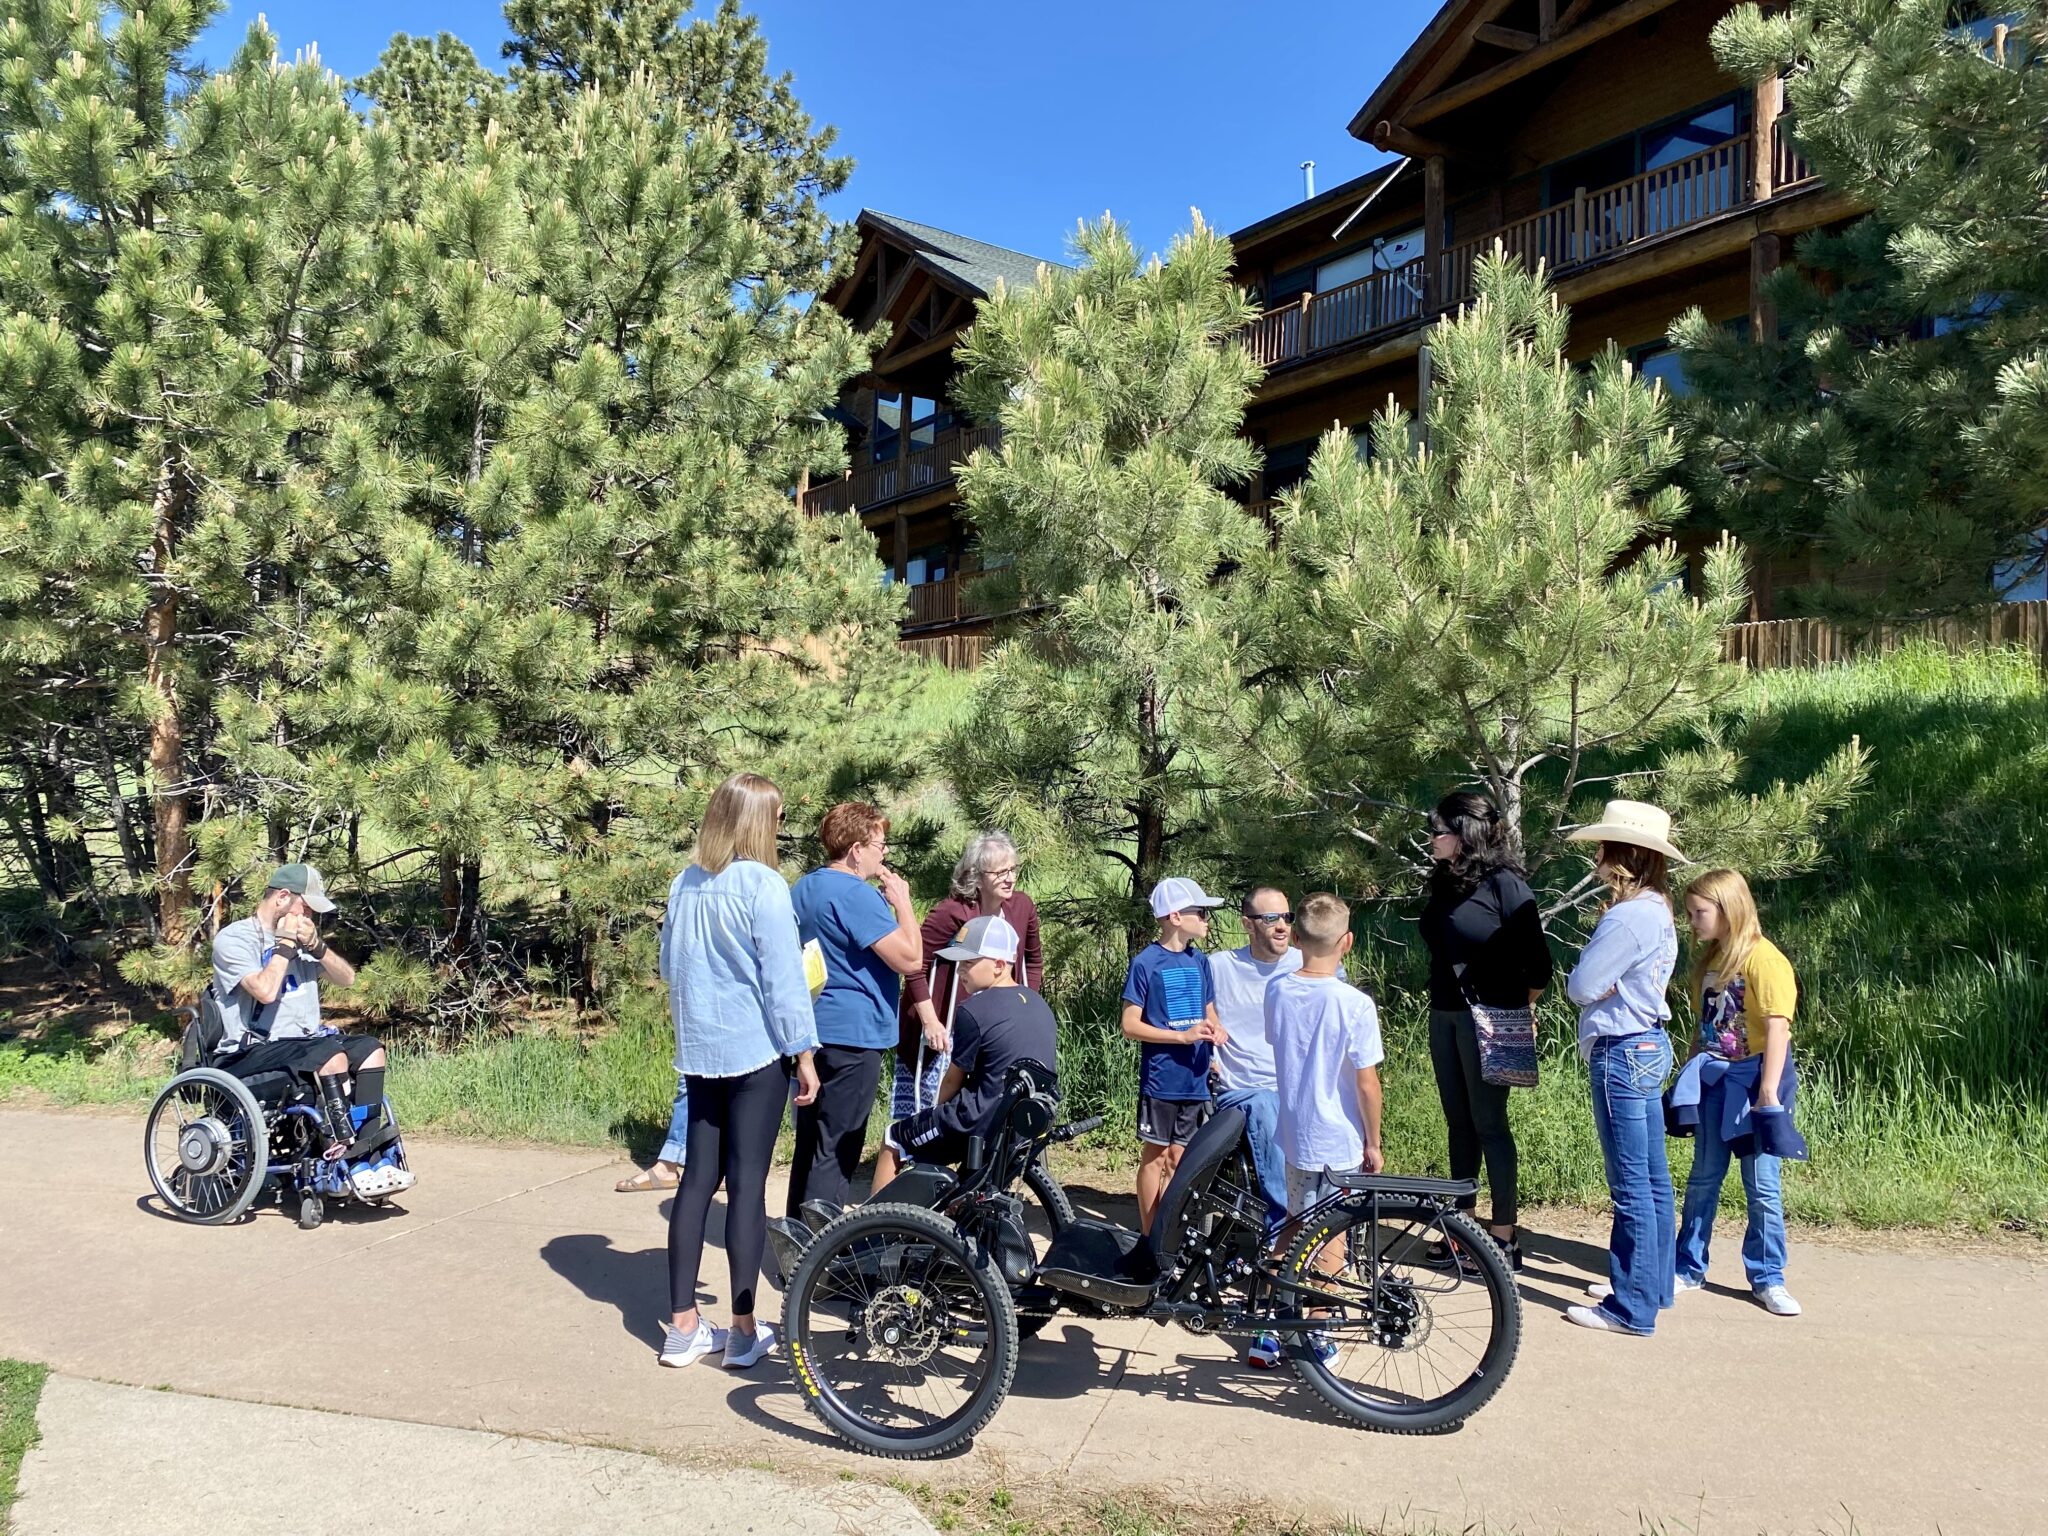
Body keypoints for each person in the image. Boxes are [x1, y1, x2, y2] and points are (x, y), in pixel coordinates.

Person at [658, 772, 821, 1369]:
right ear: (757, 821)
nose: (781, 825)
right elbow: (784, 981)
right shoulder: (764, 885)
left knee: (697, 1180)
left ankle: (682, 1327)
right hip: (755, 1051)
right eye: (777, 816)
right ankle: (743, 1331)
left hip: (701, 1050)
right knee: (748, 1185)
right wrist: (805, 1053)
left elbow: (668, 966)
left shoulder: (685, 882)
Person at [211, 863, 411, 1196]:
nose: (310, 916)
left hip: (305, 1043)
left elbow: (348, 979)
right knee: (329, 1056)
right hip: (251, 1050)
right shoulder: (235, 939)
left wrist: (317, 946)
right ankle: (342, 1163)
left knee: (370, 1049)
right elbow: (265, 991)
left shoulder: (305, 939)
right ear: (282, 898)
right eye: (306, 908)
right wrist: (285, 945)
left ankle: (371, 1156)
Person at [1562, 800, 1684, 1337]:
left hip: (1622, 1048)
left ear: (1621, 854)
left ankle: (1631, 1306)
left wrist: (1599, 985)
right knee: (1653, 1178)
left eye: (1603, 845)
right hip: (1648, 1043)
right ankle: (1651, 1286)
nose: (1596, 854)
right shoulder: (1657, 907)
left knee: (1631, 1183)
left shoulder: (1628, 915)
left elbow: (1581, 985)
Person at [1418, 792, 1553, 1272]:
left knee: (1489, 1125)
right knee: (1458, 1124)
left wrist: (1516, 1011)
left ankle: (1503, 1236)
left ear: (1465, 834)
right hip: (1444, 1015)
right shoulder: (1444, 880)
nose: (1431, 839)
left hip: (1490, 1020)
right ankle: (1462, 1228)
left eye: (1437, 832)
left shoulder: (1505, 885)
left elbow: (1539, 966)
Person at [874, 830, 1044, 1191]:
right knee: (921, 1120)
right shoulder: (952, 912)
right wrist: (930, 1021)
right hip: (941, 1024)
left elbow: (1032, 959)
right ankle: (902, 1196)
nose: (1010, 878)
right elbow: (915, 964)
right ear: (977, 876)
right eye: (1000, 872)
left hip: (989, 1026)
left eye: (1013, 869)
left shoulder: (1022, 908)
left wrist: (1023, 1005)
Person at [1674, 868, 1804, 1317]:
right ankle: (1688, 1267)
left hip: (1755, 1082)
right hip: (1714, 1079)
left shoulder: (1765, 960)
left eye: (1699, 912)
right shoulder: (1711, 960)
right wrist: (1689, 1072)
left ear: (1728, 909)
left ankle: (1769, 1278)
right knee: (1703, 1178)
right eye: (1690, 912)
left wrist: (1768, 1091)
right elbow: (1706, 1025)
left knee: (1762, 1185)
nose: (1692, 921)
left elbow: (1777, 1029)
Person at [1262, 891, 1385, 1367]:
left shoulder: (1278, 990)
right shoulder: (1355, 1004)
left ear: (1295, 938)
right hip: (1339, 1138)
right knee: (1334, 1232)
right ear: (1347, 942)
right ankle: (1317, 1324)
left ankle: (1271, 1323)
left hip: (1295, 1131)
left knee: (1294, 1223)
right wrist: (1373, 1141)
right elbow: (1367, 1083)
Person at [786, 801, 921, 1218]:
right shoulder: (856, 895)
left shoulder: (803, 888)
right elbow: (910, 959)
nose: (885, 853)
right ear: (856, 850)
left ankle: (796, 1236)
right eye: (880, 845)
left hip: (812, 1031)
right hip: (855, 1034)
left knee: (810, 1143)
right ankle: (822, 1244)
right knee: (837, 1147)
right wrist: (903, 903)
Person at [1121, 876, 1229, 1235]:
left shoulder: (1200, 961)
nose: (1207, 920)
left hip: (1195, 1078)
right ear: (1175, 917)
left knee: (1179, 1159)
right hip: (1162, 1078)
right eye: (1201, 912)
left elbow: (1208, 1010)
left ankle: (1168, 1236)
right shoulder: (1146, 963)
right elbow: (1129, 1025)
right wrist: (1180, 1037)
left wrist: (1217, 1030)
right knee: (1156, 1157)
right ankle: (1150, 1236)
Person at [1208, 886, 1302, 1236]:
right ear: (1247, 924)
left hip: (1296, 1087)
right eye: (1271, 918)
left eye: (1287, 917)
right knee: (1266, 1104)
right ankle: (1285, 1232)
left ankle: (1331, 1227)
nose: (1282, 926)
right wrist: (1207, 1056)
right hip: (1242, 1089)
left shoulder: (1306, 965)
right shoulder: (1219, 967)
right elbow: (1192, 1015)